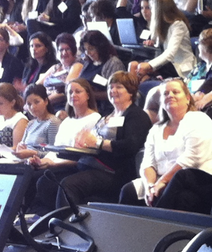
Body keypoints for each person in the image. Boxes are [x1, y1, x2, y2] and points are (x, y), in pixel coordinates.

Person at [118, 79, 212, 208]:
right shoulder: (156, 129)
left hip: (198, 180)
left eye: (175, 92)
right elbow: (148, 163)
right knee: (129, 191)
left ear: (188, 98)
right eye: (165, 94)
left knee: (179, 196)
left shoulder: (198, 119)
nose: (170, 95)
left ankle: (156, 224)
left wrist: (162, 182)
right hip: (162, 179)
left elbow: (191, 159)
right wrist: (150, 185)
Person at [56, 72, 152, 207]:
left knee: (68, 185)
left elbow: (130, 146)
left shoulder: (136, 115)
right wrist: (83, 144)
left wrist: (97, 143)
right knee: (49, 182)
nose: (113, 91)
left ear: (130, 92)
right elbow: (93, 142)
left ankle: (68, 225)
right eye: (110, 87)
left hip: (114, 172)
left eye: (118, 87)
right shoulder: (107, 116)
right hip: (90, 165)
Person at [28, 79, 101, 215]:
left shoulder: (94, 119)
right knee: (30, 174)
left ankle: (53, 217)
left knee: (44, 182)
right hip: (58, 163)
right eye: (70, 92)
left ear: (88, 95)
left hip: (76, 166)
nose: (73, 95)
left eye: (78, 91)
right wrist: (42, 161)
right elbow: (55, 149)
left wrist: (52, 165)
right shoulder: (67, 121)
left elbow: (84, 156)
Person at [129, 0, 196, 80]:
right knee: (133, 65)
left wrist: (149, 65)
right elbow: (158, 45)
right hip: (167, 65)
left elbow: (170, 53)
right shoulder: (162, 25)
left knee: (141, 72)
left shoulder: (178, 25)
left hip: (178, 66)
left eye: (151, 8)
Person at [78, 30, 123, 113]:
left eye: (91, 49)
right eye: (85, 49)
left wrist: (88, 94)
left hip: (103, 109)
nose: (88, 53)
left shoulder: (113, 63)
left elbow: (114, 93)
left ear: (100, 47)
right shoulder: (88, 62)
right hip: (85, 106)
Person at [36, 33, 83, 112]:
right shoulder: (55, 67)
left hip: (61, 106)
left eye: (67, 49)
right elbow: (37, 86)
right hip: (45, 103)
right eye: (61, 50)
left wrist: (43, 103)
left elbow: (66, 90)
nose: (64, 53)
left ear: (73, 50)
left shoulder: (77, 65)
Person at [13, 84, 61, 159]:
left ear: (46, 101)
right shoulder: (31, 123)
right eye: (29, 104)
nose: (33, 107)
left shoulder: (53, 122)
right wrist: (20, 148)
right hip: (26, 161)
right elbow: (23, 145)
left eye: (37, 102)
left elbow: (55, 152)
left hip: (41, 164)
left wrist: (33, 153)